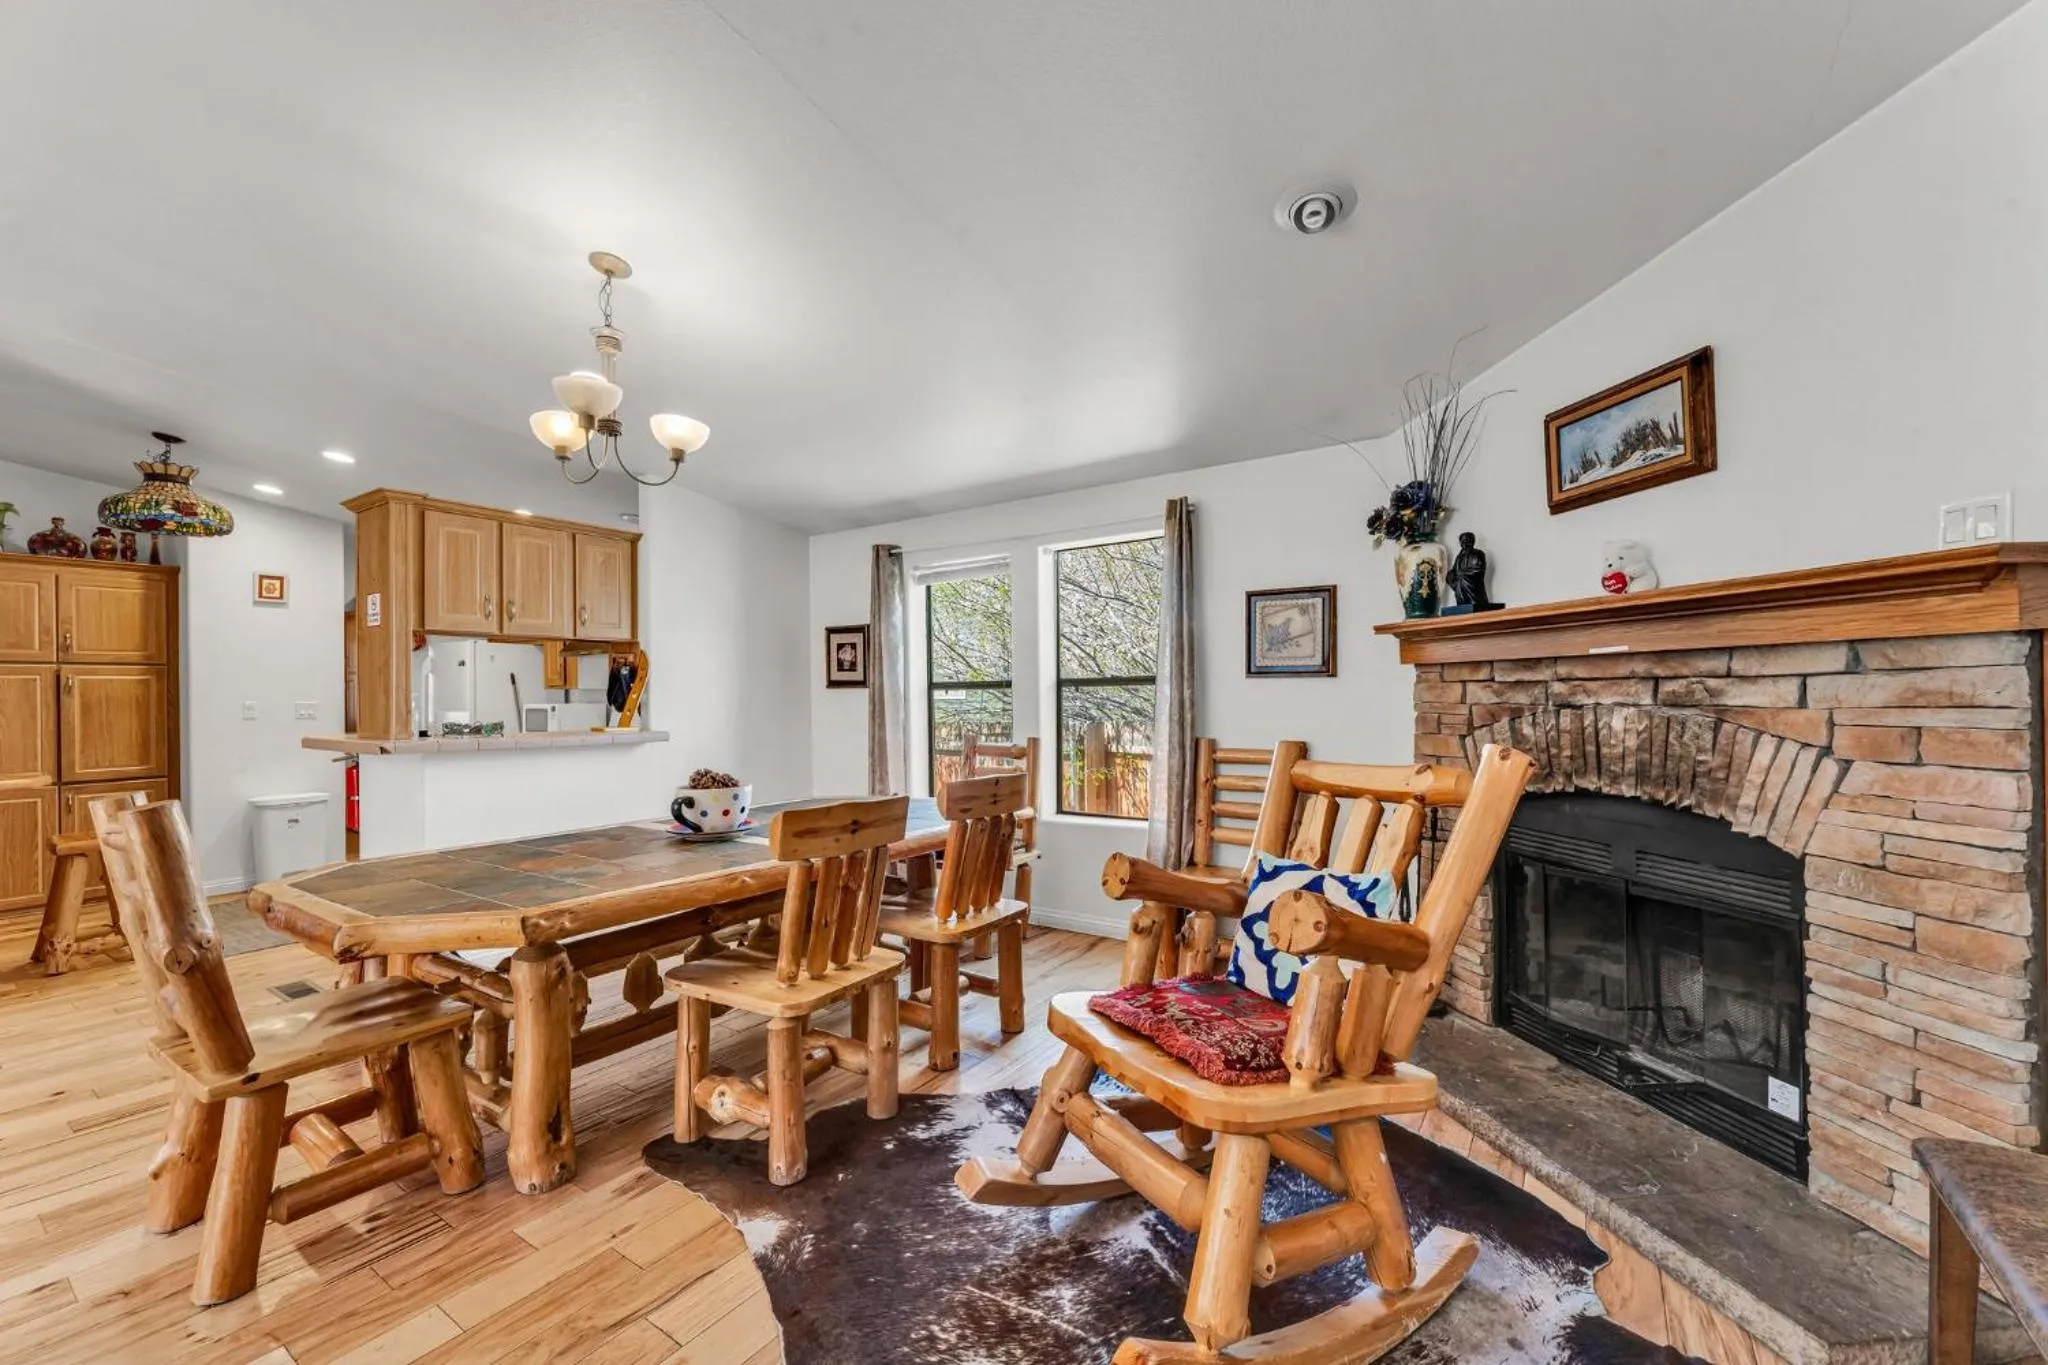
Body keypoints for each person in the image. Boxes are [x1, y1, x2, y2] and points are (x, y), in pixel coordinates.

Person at [1448, 531, 1492, 610]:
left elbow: (1479, 569)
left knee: (1462, 578)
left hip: (1472, 584)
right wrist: (1450, 575)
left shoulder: (1478, 553)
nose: (1465, 544)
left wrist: (1463, 574)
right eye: (1463, 542)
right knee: (1456, 579)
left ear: (1472, 542)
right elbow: (1454, 570)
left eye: (1467, 541)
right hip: (1460, 585)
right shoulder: (1459, 557)